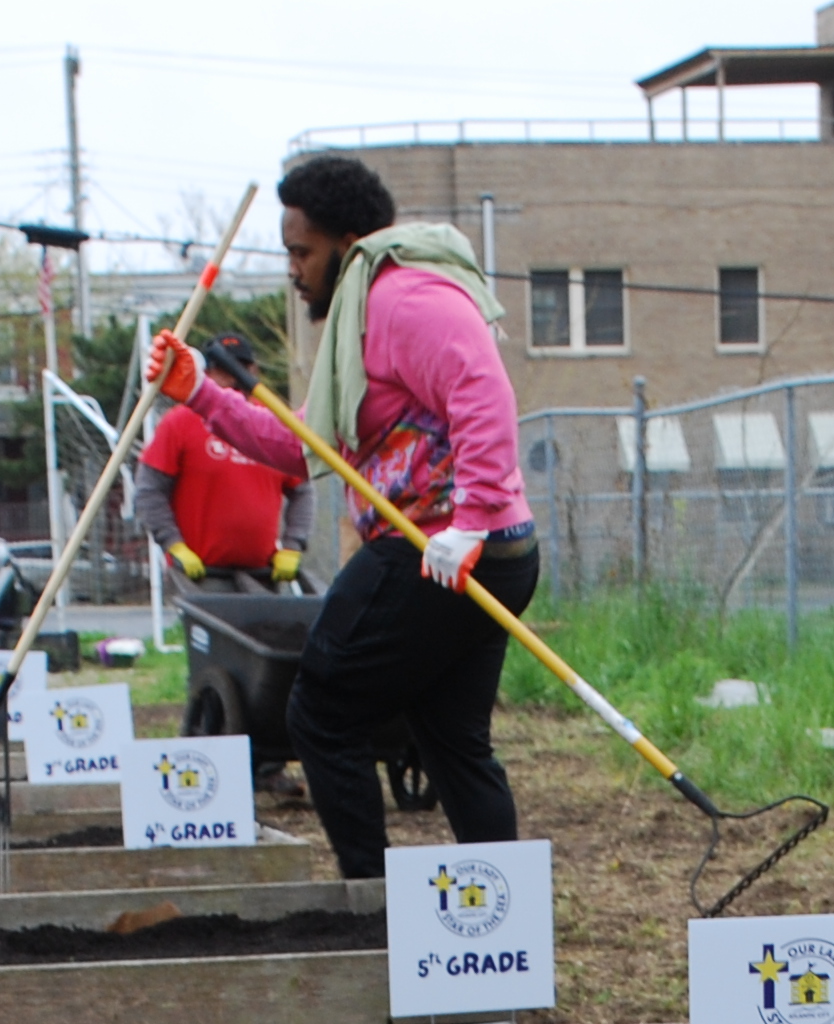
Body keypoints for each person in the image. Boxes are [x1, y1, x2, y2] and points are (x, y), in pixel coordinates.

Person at [148, 153, 534, 880]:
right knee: (451, 738)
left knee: (321, 710)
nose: (294, 270)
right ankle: (501, 918)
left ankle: (373, 900)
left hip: (441, 548)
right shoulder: (363, 314)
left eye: (302, 252)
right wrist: (201, 392)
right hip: (477, 548)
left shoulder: (403, 298)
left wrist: (470, 519)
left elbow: (485, 393)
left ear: (348, 244)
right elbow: (305, 448)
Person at [131, 334, 306, 589]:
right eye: (225, 370)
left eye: (241, 368)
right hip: (203, 574)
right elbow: (149, 490)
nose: (234, 378)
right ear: (207, 373)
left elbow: (302, 490)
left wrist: (293, 544)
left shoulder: (272, 423)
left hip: (263, 574)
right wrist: (173, 544)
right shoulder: (179, 422)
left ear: (253, 371)